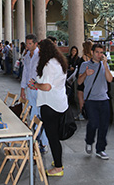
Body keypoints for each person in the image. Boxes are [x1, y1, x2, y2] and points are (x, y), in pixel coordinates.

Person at [28, 38, 68, 176]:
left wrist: (35, 85)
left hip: (49, 104)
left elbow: (47, 86)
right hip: (59, 103)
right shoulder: (59, 61)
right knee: (54, 136)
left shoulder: (48, 64)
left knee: (53, 137)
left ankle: (58, 168)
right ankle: (58, 161)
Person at [78, 43, 113, 160]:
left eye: (101, 52)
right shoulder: (85, 65)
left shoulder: (104, 65)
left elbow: (110, 79)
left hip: (104, 99)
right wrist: (85, 74)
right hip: (91, 100)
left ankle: (100, 149)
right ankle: (89, 141)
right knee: (93, 123)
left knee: (104, 125)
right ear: (92, 52)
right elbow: (79, 82)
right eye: (97, 52)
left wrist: (105, 65)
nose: (99, 55)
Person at [20, 34, 48, 154]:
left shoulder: (41, 56)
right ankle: (35, 140)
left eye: (30, 43)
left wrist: (38, 84)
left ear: (36, 44)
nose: (28, 45)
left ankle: (44, 142)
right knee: (32, 114)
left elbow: (44, 73)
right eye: (27, 43)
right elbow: (25, 72)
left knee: (40, 115)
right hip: (30, 89)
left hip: (38, 89)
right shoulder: (27, 56)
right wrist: (22, 88)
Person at [76, 40, 93, 120]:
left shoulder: (83, 58)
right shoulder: (93, 58)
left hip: (82, 79)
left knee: (81, 97)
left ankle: (83, 113)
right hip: (90, 80)